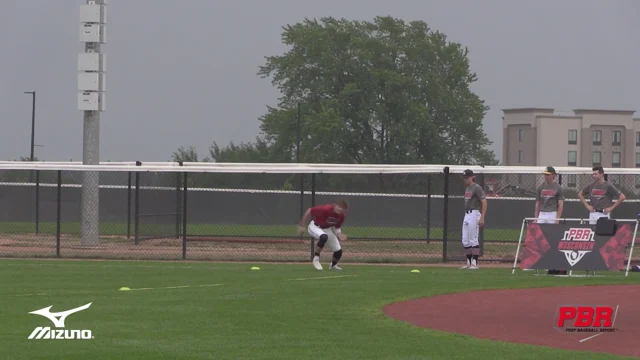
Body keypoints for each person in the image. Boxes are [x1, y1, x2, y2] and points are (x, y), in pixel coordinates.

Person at [297, 200, 349, 271]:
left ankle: (333, 266)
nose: (340, 209)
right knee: (324, 237)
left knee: (338, 251)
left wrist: (339, 234)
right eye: (339, 206)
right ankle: (316, 259)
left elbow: (337, 228)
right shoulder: (325, 209)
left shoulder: (341, 216)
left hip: (326, 229)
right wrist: (301, 225)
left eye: (343, 208)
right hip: (315, 227)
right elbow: (309, 211)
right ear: (334, 205)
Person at [461, 170, 487, 270]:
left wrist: (482, 217)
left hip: (474, 213)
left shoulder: (477, 187)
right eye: (464, 178)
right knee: (465, 240)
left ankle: (475, 263)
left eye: (467, 178)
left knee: (473, 239)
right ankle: (468, 262)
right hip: (467, 214)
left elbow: (484, 202)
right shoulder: (467, 188)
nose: (465, 179)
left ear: (472, 177)